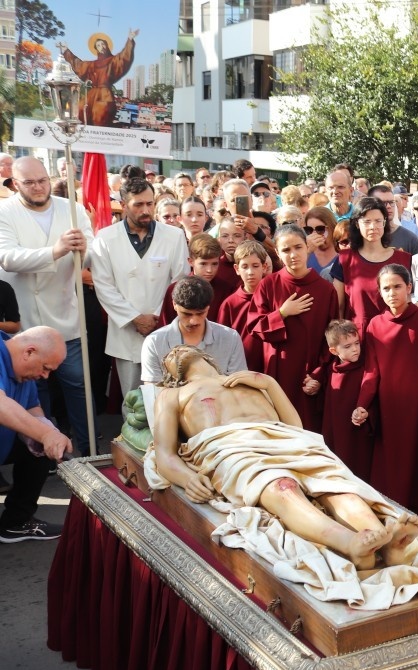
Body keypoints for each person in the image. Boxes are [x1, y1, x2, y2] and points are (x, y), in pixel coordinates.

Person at [149, 346, 418, 572]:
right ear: (172, 375)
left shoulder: (251, 379)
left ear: (208, 356)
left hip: (287, 439)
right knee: (280, 485)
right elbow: (164, 453)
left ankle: (384, 541)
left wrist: (269, 384)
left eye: (181, 348)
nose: (175, 352)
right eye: (170, 356)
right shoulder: (172, 394)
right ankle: (351, 544)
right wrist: (187, 478)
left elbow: (295, 427)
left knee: (334, 483)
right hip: (232, 447)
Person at [0, 156, 95, 456]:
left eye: (42, 180)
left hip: (65, 317)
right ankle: (44, 450)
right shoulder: (4, 212)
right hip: (25, 322)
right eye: (29, 182)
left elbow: (91, 255)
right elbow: (7, 258)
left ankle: (90, 447)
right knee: (35, 392)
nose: (39, 187)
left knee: (79, 387)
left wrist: (84, 249)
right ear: (15, 184)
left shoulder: (73, 209)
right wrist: (55, 250)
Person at [354, 265, 418, 521]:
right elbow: (371, 371)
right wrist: (362, 404)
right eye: (386, 288)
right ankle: (393, 514)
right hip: (390, 406)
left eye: (397, 286)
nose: (392, 293)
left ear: (409, 288)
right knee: (393, 464)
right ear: (379, 293)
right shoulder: (374, 326)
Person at [91, 177, 190, 399]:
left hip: (164, 326)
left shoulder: (174, 236)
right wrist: (135, 318)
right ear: (124, 205)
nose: (146, 210)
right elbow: (104, 286)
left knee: (168, 395)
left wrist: (156, 315)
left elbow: (180, 279)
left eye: (150, 203)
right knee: (132, 399)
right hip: (126, 330)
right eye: (138, 204)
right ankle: (131, 435)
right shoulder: (105, 238)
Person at [252, 224, 339, 431]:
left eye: (298, 247)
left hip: (309, 377)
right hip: (278, 375)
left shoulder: (326, 290)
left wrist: (318, 374)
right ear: (277, 253)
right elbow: (255, 327)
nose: (293, 255)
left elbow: (332, 339)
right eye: (286, 250)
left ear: (307, 247)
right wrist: (281, 313)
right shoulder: (268, 285)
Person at [0, 327, 74, 542]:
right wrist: (45, 434)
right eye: (45, 368)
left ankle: (16, 522)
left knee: (39, 450)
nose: (45, 375)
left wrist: (48, 433)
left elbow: (32, 408)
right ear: (29, 352)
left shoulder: (24, 374)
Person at [141, 276, 246, 385]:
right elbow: (152, 392)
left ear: (208, 307)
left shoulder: (230, 338)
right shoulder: (154, 342)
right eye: (186, 314)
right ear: (174, 305)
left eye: (200, 313)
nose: (194, 321)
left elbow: (240, 386)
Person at [331, 197, 411, 333]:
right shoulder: (345, 259)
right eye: (367, 222)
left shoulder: (404, 259)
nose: (373, 227)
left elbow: (409, 303)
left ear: (385, 222)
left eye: (378, 221)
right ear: (357, 224)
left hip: (396, 334)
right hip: (357, 337)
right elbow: (338, 306)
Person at [321, 319, 372, 479]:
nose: (355, 349)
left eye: (357, 343)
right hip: (338, 431)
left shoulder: (365, 368)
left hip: (360, 433)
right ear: (334, 351)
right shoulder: (332, 371)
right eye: (348, 346)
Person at [57, 29, 139, 127]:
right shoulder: (91, 64)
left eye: (103, 44)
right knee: (79, 111)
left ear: (107, 46)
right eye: (99, 45)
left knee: (100, 117)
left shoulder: (113, 61)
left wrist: (130, 39)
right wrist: (66, 51)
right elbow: (78, 65)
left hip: (105, 94)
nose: (102, 47)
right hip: (92, 94)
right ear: (96, 49)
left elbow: (124, 58)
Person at [217, 240, 268, 372]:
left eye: (255, 266)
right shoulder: (229, 304)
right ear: (236, 269)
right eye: (245, 266)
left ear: (265, 267)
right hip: (240, 369)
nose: (250, 272)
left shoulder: (273, 298)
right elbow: (222, 342)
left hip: (271, 367)